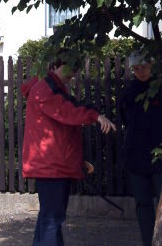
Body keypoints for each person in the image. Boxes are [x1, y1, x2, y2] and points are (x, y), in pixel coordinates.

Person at [22, 56, 116, 245]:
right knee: (52, 221)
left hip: (53, 164)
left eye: (75, 69)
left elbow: (67, 112)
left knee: (48, 218)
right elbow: (68, 111)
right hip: (51, 166)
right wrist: (95, 116)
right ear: (56, 65)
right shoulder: (44, 89)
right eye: (69, 68)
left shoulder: (53, 86)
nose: (72, 74)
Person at [119, 51, 162, 246]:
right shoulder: (130, 91)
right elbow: (125, 118)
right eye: (136, 68)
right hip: (136, 155)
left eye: (144, 67)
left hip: (160, 155)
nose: (140, 72)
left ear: (152, 65)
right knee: (143, 205)